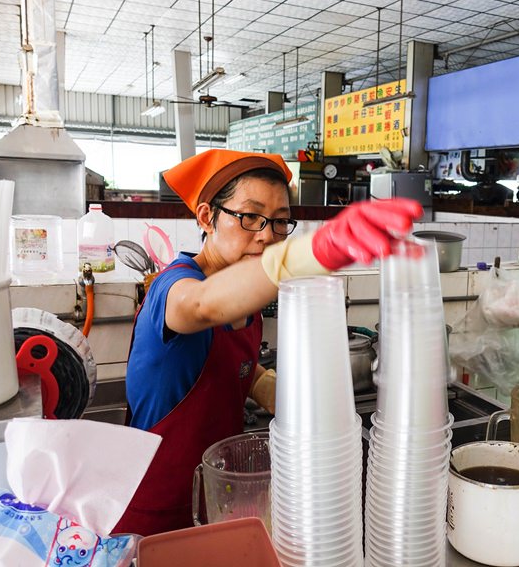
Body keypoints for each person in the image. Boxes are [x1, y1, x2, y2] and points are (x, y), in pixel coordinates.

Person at [113, 149, 422, 536]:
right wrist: (314, 250)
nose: (265, 235)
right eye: (249, 216)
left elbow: (231, 363)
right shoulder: (173, 286)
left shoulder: (250, 292)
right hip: (154, 515)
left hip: (216, 501)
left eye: (279, 222)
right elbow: (203, 305)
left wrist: (277, 393)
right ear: (207, 217)